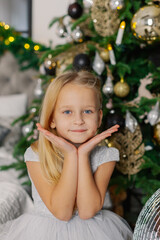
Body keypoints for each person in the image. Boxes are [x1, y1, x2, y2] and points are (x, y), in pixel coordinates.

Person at [0, 71, 133, 240]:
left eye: (87, 111)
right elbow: (62, 213)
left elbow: (87, 211)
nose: (78, 120)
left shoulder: (106, 156)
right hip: (44, 233)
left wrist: (82, 155)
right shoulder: (36, 155)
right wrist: (71, 155)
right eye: (67, 112)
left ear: (99, 118)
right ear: (52, 119)